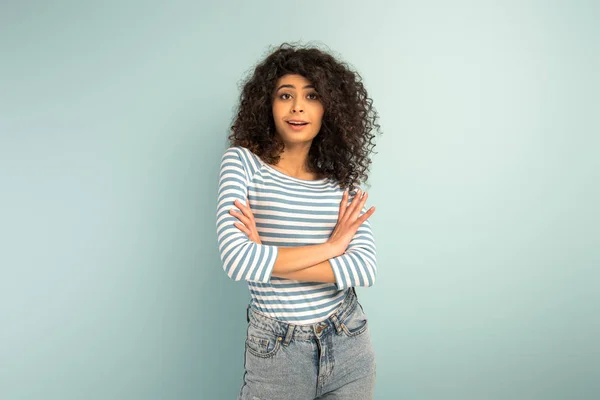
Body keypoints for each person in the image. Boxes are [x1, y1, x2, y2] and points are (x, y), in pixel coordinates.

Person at [216, 43, 381, 400]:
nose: (297, 106)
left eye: (312, 96)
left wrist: (267, 256)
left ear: (329, 109)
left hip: (348, 337)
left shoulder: (342, 182)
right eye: (285, 95)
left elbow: (364, 270)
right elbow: (237, 261)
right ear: (268, 105)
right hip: (277, 351)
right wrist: (332, 248)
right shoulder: (243, 163)